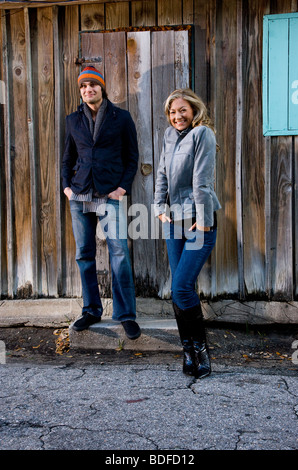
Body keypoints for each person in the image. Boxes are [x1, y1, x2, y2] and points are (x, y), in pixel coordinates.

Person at [62, 66, 141, 340]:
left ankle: (125, 314)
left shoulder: (121, 118)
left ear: (101, 88)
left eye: (93, 85)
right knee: (84, 255)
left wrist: (122, 188)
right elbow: (67, 158)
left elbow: (132, 156)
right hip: (80, 193)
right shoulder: (72, 120)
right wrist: (66, 188)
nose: (88, 90)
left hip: (109, 194)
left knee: (119, 252)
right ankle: (91, 309)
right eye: (83, 86)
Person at [154, 89, 221, 378]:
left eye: (182, 110)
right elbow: (162, 174)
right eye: (172, 112)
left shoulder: (203, 134)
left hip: (198, 221)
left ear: (193, 109)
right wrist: (158, 206)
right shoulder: (169, 136)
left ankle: (202, 352)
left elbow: (201, 180)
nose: (177, 116)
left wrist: (204, 219)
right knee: (179, 290)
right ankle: (188, 351)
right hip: (174, 221)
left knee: (181, 286)